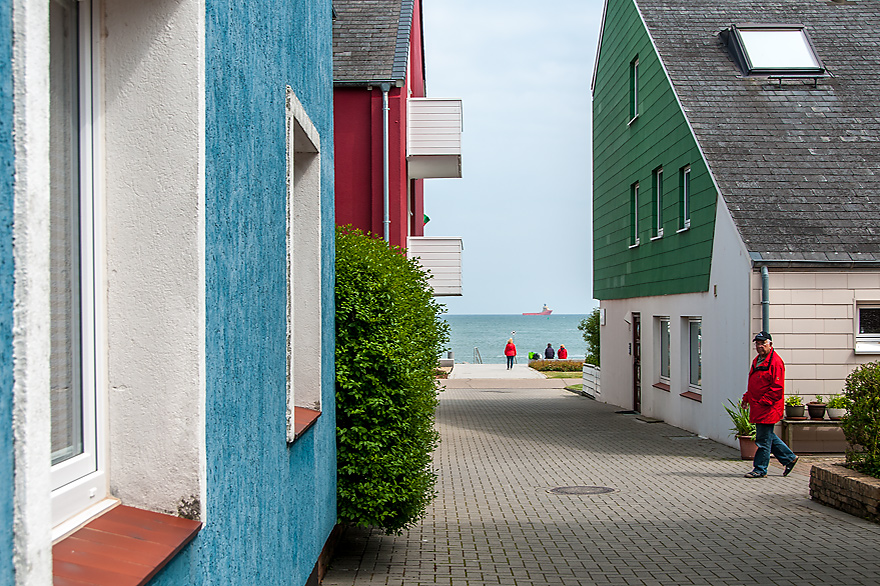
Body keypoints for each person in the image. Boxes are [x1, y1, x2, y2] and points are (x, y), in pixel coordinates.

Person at [741, 331, 798, 478]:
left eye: (762, 343)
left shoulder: (775, 362)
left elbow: (777, 388)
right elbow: (753, 384)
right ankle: (789, 458)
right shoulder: (758, 360)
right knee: (767, 436)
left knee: (763, 440)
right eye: (757, 343)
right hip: (758, 406)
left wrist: (762, 402)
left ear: (770, 344)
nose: (759, 346)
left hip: (768, 408)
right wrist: (746, 398)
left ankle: (760, 469)